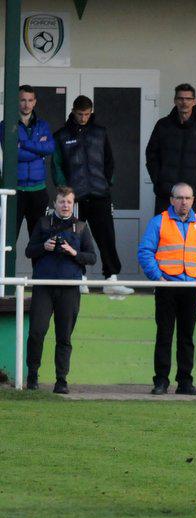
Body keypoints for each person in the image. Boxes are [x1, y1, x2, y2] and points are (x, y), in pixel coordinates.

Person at [137, 182, 196, 397]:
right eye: (180, 198)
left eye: (188, 198)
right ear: (172, 200)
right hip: (167, 286)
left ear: (193, 200)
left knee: (187, 337)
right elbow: (145, 251)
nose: (184, 202)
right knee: (164, 335)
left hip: (191, 286)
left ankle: (185, 381)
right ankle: (161, 381)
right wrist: (158, 277)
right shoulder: (159, 222)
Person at [52, 95, 134, 297]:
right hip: (75, 197)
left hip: (99, 194)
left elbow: (109, 161)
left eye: (87, 114)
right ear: (73, 112)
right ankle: (79, 278)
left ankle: (111, 279)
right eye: (80, 114)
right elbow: (56, 165)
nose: (83, 118)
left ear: (91, 112)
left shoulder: (100, 132)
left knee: (106, 237)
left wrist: (107, 183)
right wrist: (65, 191)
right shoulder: (61, 135)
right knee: (74, 238)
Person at [24, 186, 97, 394]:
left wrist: (73, 252)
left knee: (64, 336)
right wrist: (44, 246)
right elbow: (29, 251)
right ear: (54, 204)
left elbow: (92, 257)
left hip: (69, 288)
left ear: (73, 205)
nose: (65, 205)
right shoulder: (43, 223)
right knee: (36, 332)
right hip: (43, 286)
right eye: (62, 201)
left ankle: (61, 380)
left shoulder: (81, 227)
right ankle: (32, 376)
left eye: (69, 202)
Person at [145, 83, 196, 217]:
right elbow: (151, 154)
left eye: (188, 99)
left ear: (194, 101)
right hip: (166, 193)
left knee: (190, 229)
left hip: (192, 194)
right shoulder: (163, 125)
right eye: (180, 98)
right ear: (175, 101)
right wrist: (158, 180)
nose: (184, 102)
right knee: (164, 228)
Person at [0, 85, 54, 239]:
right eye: (23, 100)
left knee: (38, 241)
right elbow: (13, 154)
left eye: (30, 100)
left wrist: (23, 144)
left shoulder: (42, 125)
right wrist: (39, 150)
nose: (26, 104)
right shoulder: (6, 125)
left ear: (35, 102)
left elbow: (50, 147)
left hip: (38, 191)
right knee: (8, 239)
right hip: (15, 190)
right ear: (17, 101)